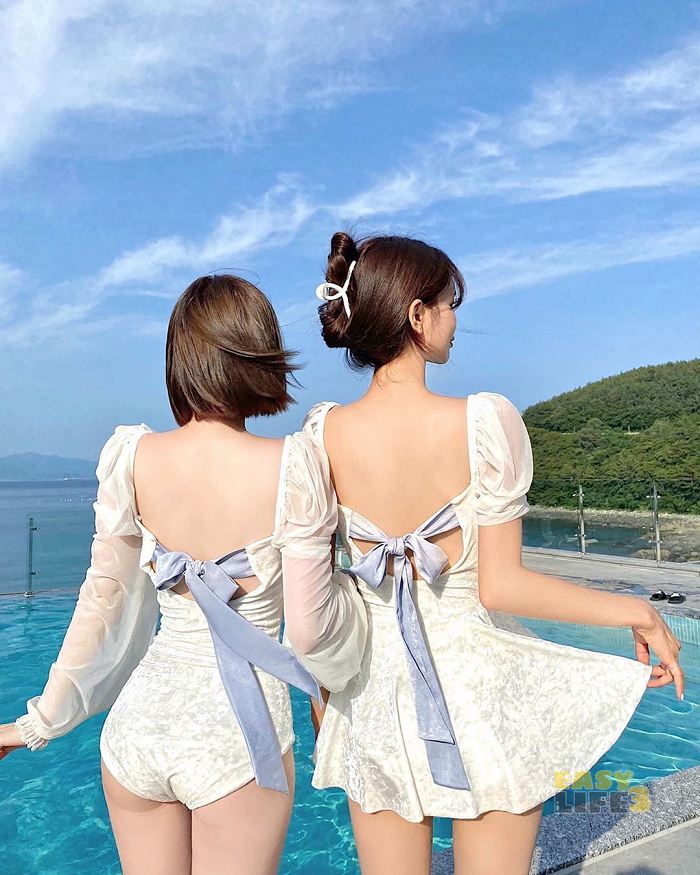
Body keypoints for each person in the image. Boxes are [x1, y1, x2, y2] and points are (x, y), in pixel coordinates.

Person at [301, 232, 684, 875]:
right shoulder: (483, 421)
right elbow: (501, 587)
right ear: (417, 315)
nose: (454, 321)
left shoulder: (319, 434)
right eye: (448, 305)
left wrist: (325, 695)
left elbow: (317, 598)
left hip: (374, 695)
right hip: (482, 691)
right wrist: (638, 612)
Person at [0, 274, 366, 875]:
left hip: (140, 727)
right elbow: (312, 627)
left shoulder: (132, 456)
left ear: (180, 360)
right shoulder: (294, 463)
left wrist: (38, 722)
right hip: (239, 733)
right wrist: (336, 697)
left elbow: (104, 600)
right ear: (260, 355)